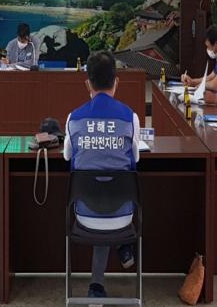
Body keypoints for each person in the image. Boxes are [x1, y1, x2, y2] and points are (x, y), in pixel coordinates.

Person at [63, 50, 140, 300]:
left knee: (97, 193)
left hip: (85, 216)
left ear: (88, 83)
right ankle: (122, 247)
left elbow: (67, 156)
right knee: (110, 191)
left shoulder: (73, 118)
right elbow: (136, 158)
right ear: (116, 81)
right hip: (123, 216)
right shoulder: (131, 117)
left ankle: (96, 286)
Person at [182, 25, 217, 90]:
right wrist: (192, 81)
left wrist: (202, 86)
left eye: (209, 47)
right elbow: (211, 76)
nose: (208, 49)